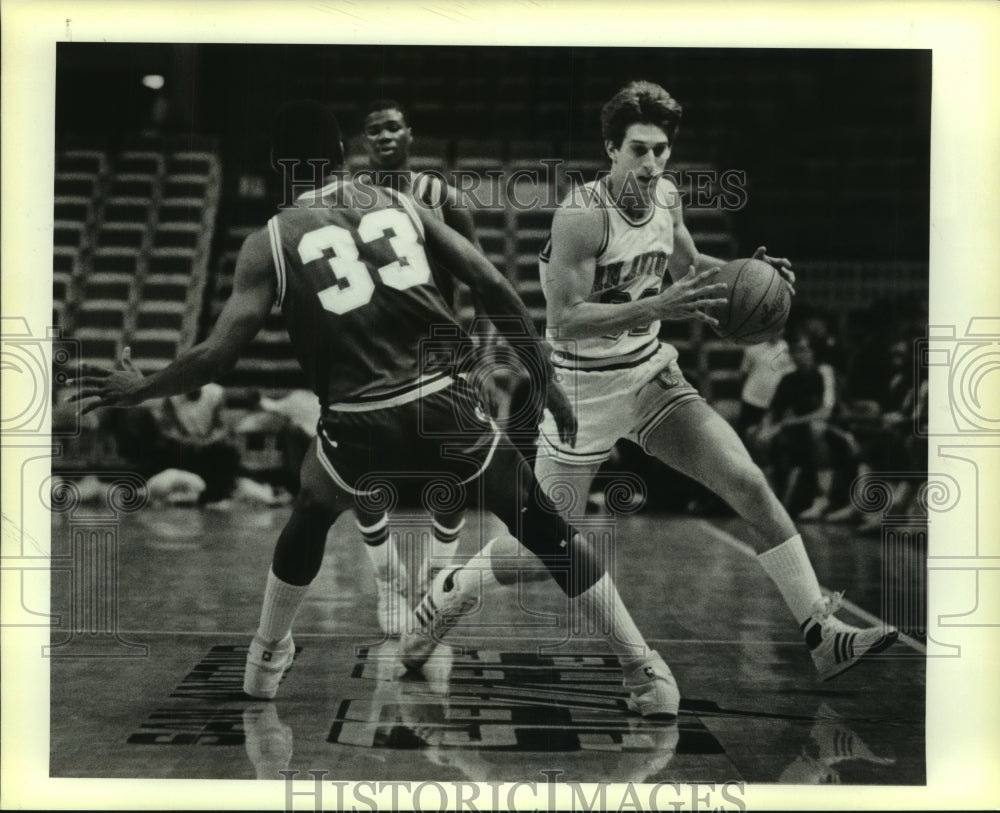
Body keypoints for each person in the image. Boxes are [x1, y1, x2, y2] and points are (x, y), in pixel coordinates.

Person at [71, 100, 729, 718]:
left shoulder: (267, 240)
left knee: (308, 509)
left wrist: (141, 385)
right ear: (341, 151)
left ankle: (265, 658)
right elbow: (491, 282)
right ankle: (647, 671)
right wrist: (542, 375)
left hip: (356, 420)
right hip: (441, 403)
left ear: (282, 166)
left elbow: (215, 358)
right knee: (546, 528)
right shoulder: (395, 200)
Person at [532, 80, 897, 682]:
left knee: (749, 483)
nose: (652, 163)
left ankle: (822, 633)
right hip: (581, 391)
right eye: (639, 150)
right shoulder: (581, 214)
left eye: (661, 150)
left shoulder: (667, 198)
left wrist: (752, 273)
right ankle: (449, 591)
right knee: (538, 546)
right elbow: (564, 320)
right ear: (610, 149)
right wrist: (656, 307)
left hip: (650, 377)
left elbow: (689, 269)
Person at [354, 99, 495, 634]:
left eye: (392, 126)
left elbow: (482, 278)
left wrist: (481, 351)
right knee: (365, 473)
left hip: (439, 346)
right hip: (371, 346)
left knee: (452, 467)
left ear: (410, 134)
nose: (384, 135)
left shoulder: (445, 197)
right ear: (364, 141)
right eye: (374, 129)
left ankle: (438, 574)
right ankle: (388, 577)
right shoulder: (350, 200)